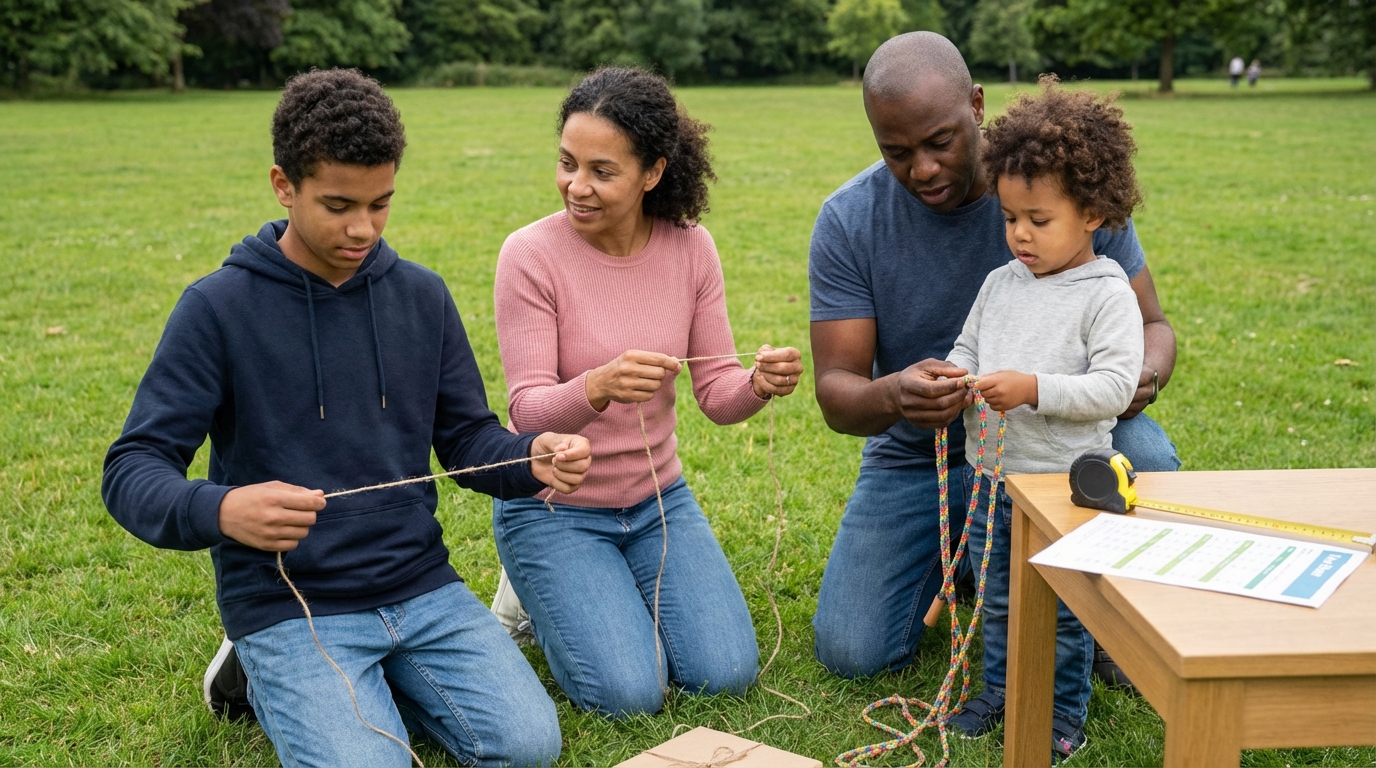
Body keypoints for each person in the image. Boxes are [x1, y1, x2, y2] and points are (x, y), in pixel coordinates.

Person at [101, 68, 591, 767]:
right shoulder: (217, 309)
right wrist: (223, 509)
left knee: (527, 746)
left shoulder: (421, 296)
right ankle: (256, 668)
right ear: (283, 185)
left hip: (419, 584)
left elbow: (465, 439)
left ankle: (374, 678)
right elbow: (131, 469)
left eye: (380, 203)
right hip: (289, 600)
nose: (362, 227)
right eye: (338, 205)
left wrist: (529, 457)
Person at [808, 31, 1177, 691]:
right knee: (852, 649)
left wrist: (1138, 376)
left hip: (1063, 436)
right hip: (922, 457)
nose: (921, 168)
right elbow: (837, 392)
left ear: (976, 105)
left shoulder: (1068, 188)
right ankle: (986, 557)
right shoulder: (848, 221)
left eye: (940, 141)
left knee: (1142, 459)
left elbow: (1153, 324)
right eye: (896, 152)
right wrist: (895, 394)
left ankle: (1090, 599)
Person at [490, 66, 804, 718]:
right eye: (567, 163)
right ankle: (536, 593)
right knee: (631, 695)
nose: (577, 185)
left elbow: (718, 395)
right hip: (555, 510)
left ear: (652, 172)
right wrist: (597, 387)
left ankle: (605, 597)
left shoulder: (691, 249)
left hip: (659, 505)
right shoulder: (529, 255)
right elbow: (525, 413)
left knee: (725, 673)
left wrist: (758, 385)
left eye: (602, 171)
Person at [941, 75, 1145, 761]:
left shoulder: (1105, 292)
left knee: (1062, 612)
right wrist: (952, 372)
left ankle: (1062, 714)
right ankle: (999, 691)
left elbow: (1114, 387)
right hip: (995, 480)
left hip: (1063, 489)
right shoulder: (1001, 284)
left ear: (1092, 212)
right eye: (1009, 219)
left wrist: (1033, 388)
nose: (1020, 236)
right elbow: (969, 346)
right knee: (998, 599)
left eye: (1039, 220)